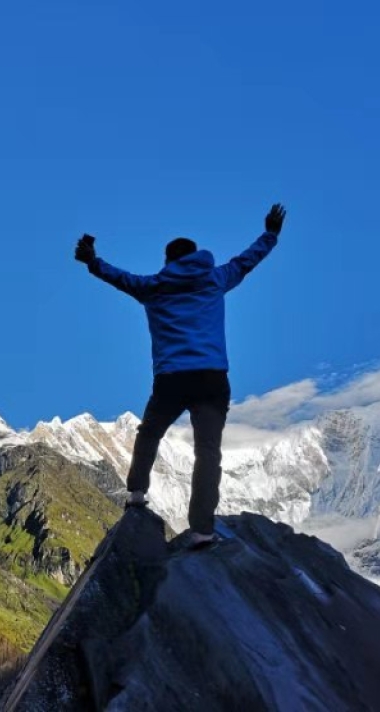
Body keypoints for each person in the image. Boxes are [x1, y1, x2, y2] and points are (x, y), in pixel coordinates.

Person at [75, 204, 286, 547]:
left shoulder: (154, 286)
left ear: (168, 259)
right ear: (195, 255)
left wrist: (92, 261)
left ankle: (137, 494)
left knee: (149, 433)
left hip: (171, 378)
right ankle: (202, 529)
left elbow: (119, 277)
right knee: (208, 452)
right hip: (212, 378)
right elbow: (248, 260)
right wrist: (271, 234)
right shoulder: (216, 278)